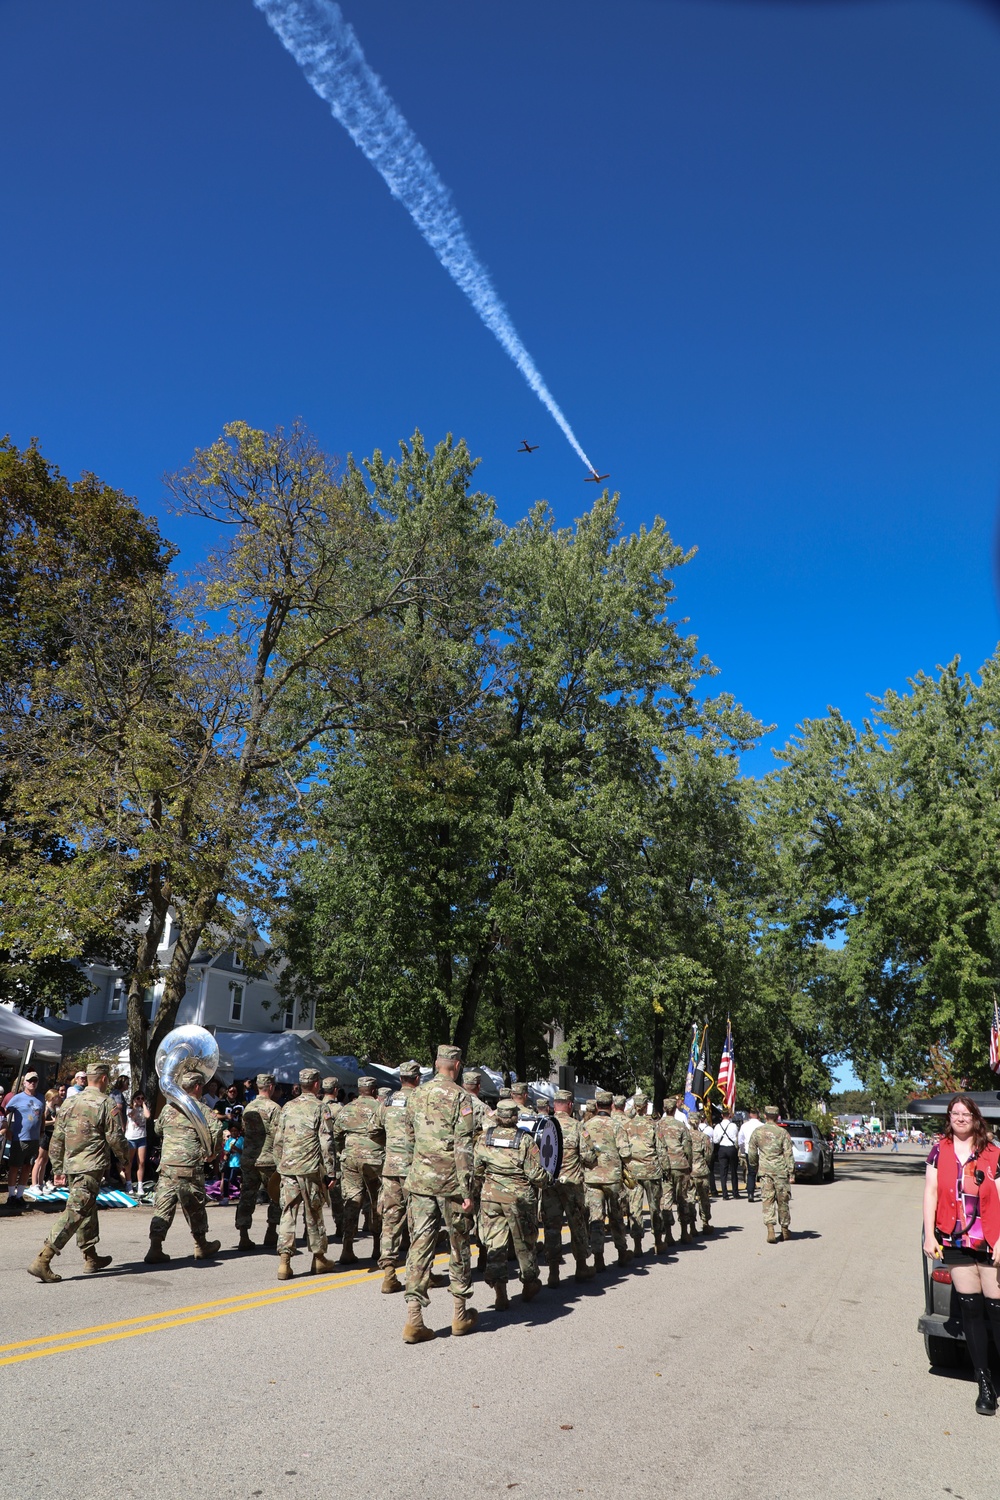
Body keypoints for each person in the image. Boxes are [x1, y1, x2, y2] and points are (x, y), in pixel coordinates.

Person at [923, 1094, 1000, 1415]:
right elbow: (930, 1191)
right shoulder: (938, 1150)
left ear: (976, 1117)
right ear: (949, 1117)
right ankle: (984, 1382)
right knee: (970, 1309)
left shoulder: (993, 1152)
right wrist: (929, 1234)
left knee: (996, 1310)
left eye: (965, 1113)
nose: (960, 1117)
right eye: (955, 1113)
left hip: (989, 1238)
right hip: (954, 1238)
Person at [400, 1043, 477, 1344]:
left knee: (419, 1245)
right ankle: (459, 1314)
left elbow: (409, 1140)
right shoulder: (461, 1097)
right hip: (451, 1184)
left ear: (436, 1065)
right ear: (457, 1067)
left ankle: (414, 1319)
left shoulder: (416, 1094)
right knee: (459, 1245)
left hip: (420, 1181)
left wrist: (411, 1174)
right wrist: (467, 1188)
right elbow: (464, 1147)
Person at [27, 1063, 131, 1282]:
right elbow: (115, 1137)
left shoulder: (69, 1101)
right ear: (103, 1079)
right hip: (90, 1166)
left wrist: (56, 1167)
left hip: (73, 1165)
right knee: (76, 1211)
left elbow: (57, 1137)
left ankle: (90, 1256)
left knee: (88, 1209)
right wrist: (124, 1159)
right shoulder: (105, 1102)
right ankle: (43, 1259)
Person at [473, 1097, 549, 1310]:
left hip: (490, 1197)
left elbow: (477, 1169)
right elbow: (535, 1173)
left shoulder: (484, 1138)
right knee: (524, 1242)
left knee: (495, 1244)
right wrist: (548, 1181)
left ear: (497, 1116)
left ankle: (500, 1293)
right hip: (518, 1198)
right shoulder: (524, 1139)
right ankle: (529, 1283)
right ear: (516, 1118)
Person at [144, 1067, 224, 1265]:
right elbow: (217, 1131)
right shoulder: (202, 1110)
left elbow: (157, 1129)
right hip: (189, 1165)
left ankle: (155, 1247)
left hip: (167, 1166)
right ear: (197, 1086)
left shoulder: (169, 1108)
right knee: (195, 1206)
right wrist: (212, 1154)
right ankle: (201, 1245)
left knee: (163, 1206)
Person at [273, 1067, 336, 1281]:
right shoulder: (321, 1107)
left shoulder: (287, 1107)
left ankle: (284, 1262)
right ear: (317, 1084)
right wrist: (331, 1172)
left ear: (301, 1085)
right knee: (314, 1213)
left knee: (288, 1212)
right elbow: (326, 1142)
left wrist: (279, 1165)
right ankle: (319, 1258)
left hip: (288, 1168)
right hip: (310, 1169)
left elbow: (278, 1140)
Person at [542, 1089, 597, 1284]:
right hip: (572, 1185)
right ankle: (581, 1267)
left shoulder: (544, 1124)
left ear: (553, 1105)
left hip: (549, 1184)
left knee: (551, 1227)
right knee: (577, 1225)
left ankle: (553, 1272)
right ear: (570, 1105)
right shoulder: (577, 1127)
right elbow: (589, 1158)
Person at [333, 1075, 386, 1266]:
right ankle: (378, 1247)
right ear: (374, 1090)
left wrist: (342, 1153)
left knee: (352, 1200)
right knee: (377, 1202)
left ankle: (347, 1248)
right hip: (375, 1159)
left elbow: (337, 1135)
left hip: (350, 1158)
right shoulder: (381, 1108)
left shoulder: (347, 1108)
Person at [378, 1060, 421, 1293]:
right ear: (416, 1079)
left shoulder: (388, 1101)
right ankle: (419, 1274)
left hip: (390, 1169)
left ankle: (389, 1274)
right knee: (419, 1222)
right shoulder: (421, 1099)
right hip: (415, 1169)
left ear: (400, 1079)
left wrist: (390, 1149)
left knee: (391, 1220)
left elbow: (374, 1129)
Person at [582, 1089, 632, 1272]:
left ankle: (599, 1258)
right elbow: (625, 1153)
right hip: (612, 1178)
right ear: (611, 1106)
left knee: (596, 1218)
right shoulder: (617, 1125)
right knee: (616, 1216)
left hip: (592, 1177)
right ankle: (622, 1253)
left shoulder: (586, 1125)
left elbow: (583, 1152)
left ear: (596, 1106)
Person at [235, 1073, 282, 1252]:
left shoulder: (249, 1108)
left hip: (249, 1158)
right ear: (270, 1087)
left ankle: (243, 1236)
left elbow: (244, 1130)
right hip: (268, 1159)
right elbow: (279, 1136)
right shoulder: (275, 1108)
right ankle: (271, 1231)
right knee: (276, 1197)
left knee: (247, 1196)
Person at [623, 1091, 663, 1255]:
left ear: (634, 1107)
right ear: (646, 1107)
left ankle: (637, 1245)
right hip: (651, 1171)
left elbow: (623, 1151)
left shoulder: (626, 1126)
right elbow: (661, 1150)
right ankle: (658, 1242)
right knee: (655, 1207)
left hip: (633, 1172)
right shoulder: (654, 1125)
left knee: (635, 1208)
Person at [747, 1106, 794, 1244]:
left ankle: (770, 1229)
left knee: (767, 1200)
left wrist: (754, 1166)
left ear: (765, 1116)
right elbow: (788, 1153)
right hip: (780, 1171)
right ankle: (784, 1229)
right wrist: (791, 1171)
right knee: (783, 1200)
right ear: (778, 1116)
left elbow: (751, 1152)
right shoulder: (783, 1132)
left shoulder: (758, 1132)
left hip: (765, 1172)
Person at [655, 1096, 694, 1244]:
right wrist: (689, 1165)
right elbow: (687, 1148)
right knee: (682, 1198)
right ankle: (684, 1232)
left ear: (665, 1109)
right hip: (680, 1165)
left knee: (666, 1200)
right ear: (675, 1109)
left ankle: (669, 1234)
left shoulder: (657, 1126)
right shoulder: (681, 1125)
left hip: (664, 1166)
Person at [4, 1070, 45, 1212]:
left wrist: (42, 1131)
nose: (32, 1083)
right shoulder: (17, 1098)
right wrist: (6, 1129)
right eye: (30, 1081)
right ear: (24, 1083)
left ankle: (20, 1195)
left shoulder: (41, 1098)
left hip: (34, 1139)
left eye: (35, 1080)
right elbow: (4, 1112)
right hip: (19, 1138)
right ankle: (11, 1196)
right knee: (14, 1167)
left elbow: (42, 1116)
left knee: (27, 1167)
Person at [320, 1077, 345, 1239]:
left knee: (314, 1195)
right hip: (333, 1157)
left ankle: (310, 1229)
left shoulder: (316, 1106)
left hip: (315, 1158)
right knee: (336, 1196)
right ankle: (340, 1226)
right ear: (336, 1090)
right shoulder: (339, 1109)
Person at [689, 1112, 715, 1232]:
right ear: (699, 1121)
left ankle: (692, 1226)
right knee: (704, 1198)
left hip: (689, 1172)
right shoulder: (704, 1137)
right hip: (701, 1171)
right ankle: (705, 1223)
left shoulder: (685, 1136)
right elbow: (708, 1155)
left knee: (690, 1199)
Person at [32, 1088, 61, 1193]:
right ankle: (34, 1183)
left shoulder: (55, 1108)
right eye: (57, 1096)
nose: (59, 1098)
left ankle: (41, 1182)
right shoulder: (46, 1108)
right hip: (45, 1135)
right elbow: (42, 1122)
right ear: (53, 1097)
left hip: (51, 1134)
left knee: (45, 1160)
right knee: (39, 1160)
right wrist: (53, 1122)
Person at [126, 1091, 152, 1200]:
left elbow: (148, 1116)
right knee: (129, 1161)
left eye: (142, 1098)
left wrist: (144, 1104)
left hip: (142, 1137)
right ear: (134, 1099)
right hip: (131, 1138)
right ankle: (128, 1183)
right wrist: (135, 1106)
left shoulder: (143, 1108)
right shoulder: (130, 1109)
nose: (140, 1100)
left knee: (141, 1162)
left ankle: (140, 1185)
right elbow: (131, 1115)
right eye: (138, 1098)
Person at [713, 1108, 741, 1200]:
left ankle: (725, 1194)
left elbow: (715, 1140)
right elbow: (736, 1137)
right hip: (731, 1148)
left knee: (723, 1172)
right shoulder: (733, 1126)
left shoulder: (717, 1126)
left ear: (722, 1115)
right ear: (729, 1115)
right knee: (733, 1171)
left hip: (722, 1148)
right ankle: (735, 1193)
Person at [738, 1107, 762, 1203]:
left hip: (749, 1151)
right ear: (758, 1115)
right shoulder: (762, 1125)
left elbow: (740, 1140)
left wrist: (743, 1150)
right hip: (760, 1151)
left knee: (751, 1173)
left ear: (750, 1115)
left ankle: (750, 1193)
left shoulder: (745, 1126)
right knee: (762, 1173)